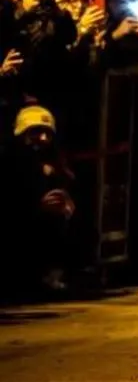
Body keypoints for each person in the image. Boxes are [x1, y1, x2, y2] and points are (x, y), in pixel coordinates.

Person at [3, 104, 76, 294]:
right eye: (36, 132)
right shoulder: (10, 163)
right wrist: (35, 207)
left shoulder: (56, 167)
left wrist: (66, 204)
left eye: (47, 133)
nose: (43, 138)